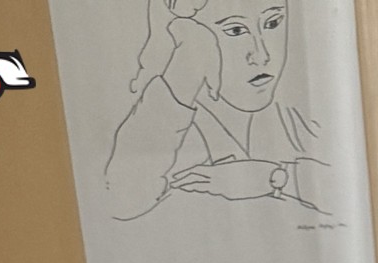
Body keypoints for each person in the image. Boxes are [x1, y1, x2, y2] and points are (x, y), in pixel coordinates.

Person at [105, 0, 341, 227]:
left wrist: (273, 178)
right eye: (236, 30)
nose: (261, 55)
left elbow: (348, 188)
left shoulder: (296, 116)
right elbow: (120, 200)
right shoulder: (170, 129)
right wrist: (184, 69)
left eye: (273, 23)